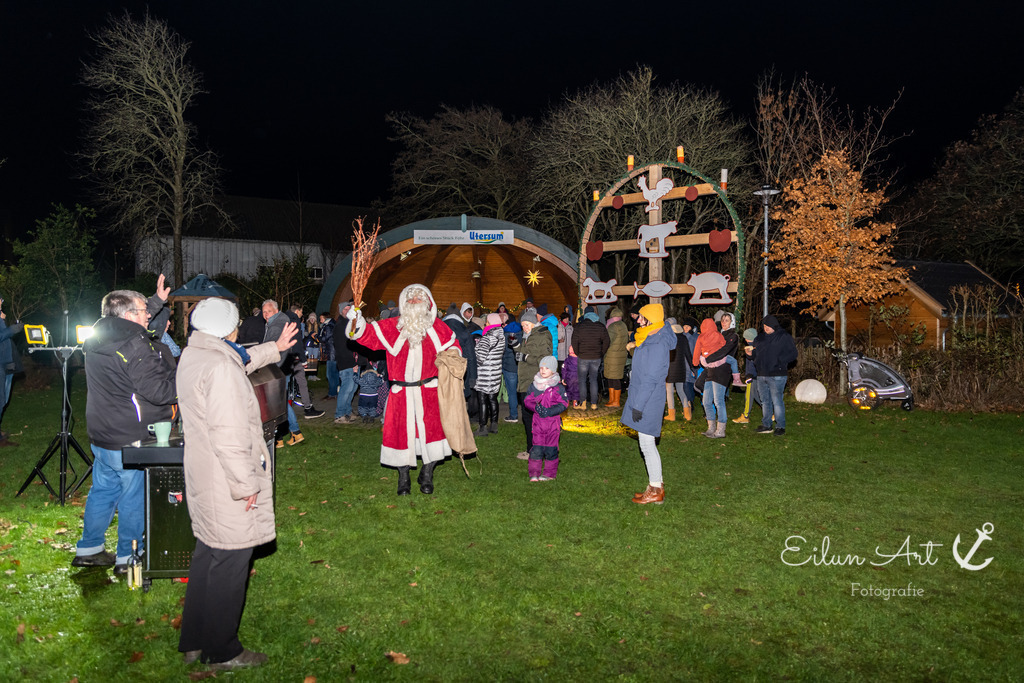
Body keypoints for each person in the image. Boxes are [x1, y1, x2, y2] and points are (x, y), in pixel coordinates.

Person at [177, 297, 298, 670]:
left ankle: (194, 640)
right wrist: (246, 486)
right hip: (226, 477)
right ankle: (221, 650)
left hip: (205, 473)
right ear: (230, 328)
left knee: (208, 554)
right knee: (231, 560)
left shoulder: (196, 354)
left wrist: (274, 348)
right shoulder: (221, 369)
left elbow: (239, 359)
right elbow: (229, 436)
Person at [72, 284, 177, 572]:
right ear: (130, 316)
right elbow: (158, 391)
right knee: (133, 494)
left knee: (103, 490)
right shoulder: (134, 344)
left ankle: (89, 548)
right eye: (144, 312)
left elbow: (129, 318)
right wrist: (189, 381)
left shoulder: (98, 336)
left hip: (101, 432)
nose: (148, 316)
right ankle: (129, 556)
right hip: (130, 436)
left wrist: (156, 301)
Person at [345, 284, 461, 495]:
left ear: (428, 303)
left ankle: (427, 474)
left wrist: (452, 358)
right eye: (410, 299)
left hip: (429, 392)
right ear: (403, 303)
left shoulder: (438, 327)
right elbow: (366, 335)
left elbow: (454, 348)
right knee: (400, 436)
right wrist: (356, 321)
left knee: (433, 435)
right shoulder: (392, 327)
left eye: (418, 299)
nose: (414, 303)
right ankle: (403, 478)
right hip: (401, 394)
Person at [621, 304, 676, 505]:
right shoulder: (650, 337)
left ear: (650, 319)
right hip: (644, 395)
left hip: (649, 398)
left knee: (647, 444)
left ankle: (655, 490)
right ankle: (656, 485)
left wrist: (639, 405)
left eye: (642, 317)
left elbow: (652, 378)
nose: (638, 320)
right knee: (647, 443)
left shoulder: (657, 342)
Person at [261, 300, 304, 445]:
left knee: (277, 403)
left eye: (269, 311)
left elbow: (270, 349)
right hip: (283, 367)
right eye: (264, 312)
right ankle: (289, 434)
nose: (266, 314)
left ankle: (284, 435)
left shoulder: (276, 325)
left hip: (277, 369)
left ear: (276, 310)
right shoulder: (279, 321)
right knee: (280, 402)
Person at [749, 314, 798, 436]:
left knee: (777, 401)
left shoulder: (783, 336)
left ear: (774, 325)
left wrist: (780, 361)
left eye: (769, 326)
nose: (766, 328)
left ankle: (780, 426)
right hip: (762, 374)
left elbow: (793, 353)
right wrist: (750, 354)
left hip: (777, 374)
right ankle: (766, 424)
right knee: (765, 401)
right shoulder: (759, 338)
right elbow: (756, 355)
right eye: (764, 326)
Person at [523, 355, 569, 481]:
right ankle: (534, 473)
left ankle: (549, 474)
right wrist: (535, 408)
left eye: (547, 368)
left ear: (553, 370)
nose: (543, 370)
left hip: (553, 425)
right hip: (538, 424)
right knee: (536, 449)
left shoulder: (558, 387)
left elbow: (564, 404)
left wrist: (550, 411)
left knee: (551, 450)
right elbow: (527, 400)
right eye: (541, 368)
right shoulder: (534, 385)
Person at [513, 310, 552, 460]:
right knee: (528, 418)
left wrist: (526, 357)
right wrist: (516, 345)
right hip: (526, 382)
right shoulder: (527, 336)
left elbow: (546, 359)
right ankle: (532, 450)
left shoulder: (542, 335)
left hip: (536, 383)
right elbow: (523, 354)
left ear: (534, 323)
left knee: (535, 419)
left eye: (527, 325)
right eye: (522, 325)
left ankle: (538, 451)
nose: (524, 328)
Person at [693, 318, 736, 439]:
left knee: (718, 401)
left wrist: (704, 359)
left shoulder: (731, 336)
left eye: (726, 320)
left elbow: (724, 350)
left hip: (721, 372)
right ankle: (711, 428)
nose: (723, 323)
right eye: (722, 321)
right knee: (706, 401)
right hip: (710, 372)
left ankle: (721, 430)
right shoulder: (718, 335)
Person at [286, 303, 325, 419]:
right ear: (297, 311)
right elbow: (297, 342)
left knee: (285, 384)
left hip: (284, 357)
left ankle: (283, 408)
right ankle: (308, 409)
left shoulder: (283, 319)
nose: (302, 314)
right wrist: (303, 360)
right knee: (302, 382)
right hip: (294, 358)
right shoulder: (295, 321)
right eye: (301, 312)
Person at [474, 313, 506, 436]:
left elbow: (480, 358)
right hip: (496, 372)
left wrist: (476, 349)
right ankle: (494, 425)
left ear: (491, 323)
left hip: (485, 374)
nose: (485, 323)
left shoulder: (488, 337)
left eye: (487, 321)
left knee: (482, 400)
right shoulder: (501, 335)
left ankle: (482, 428)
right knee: (493, 399)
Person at [572, 306, 609, 410]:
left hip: (583, 357)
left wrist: (578, 352)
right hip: (596, 357)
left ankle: (583, 404)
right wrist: (601, 353)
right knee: (593, 379)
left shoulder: (580, 326)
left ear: (585, 315)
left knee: (582, 380)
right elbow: (607, 341)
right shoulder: (600, 326)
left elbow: (574, 341)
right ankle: (594, 404)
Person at [0, 301, 25, 447]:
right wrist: (11, 330)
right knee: (0, 400)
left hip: (6, 363)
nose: (1, 302)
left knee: (3, 399)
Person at [665, 316, 698, 422]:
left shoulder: (668, 337)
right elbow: (688, 354)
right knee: (680, 390)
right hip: (681, 368)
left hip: (670, 368)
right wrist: (692, 367)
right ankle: (687, 413)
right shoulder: (683, 337)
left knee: (669, 391)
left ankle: (671, 414)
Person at [333, 301, 361, 424]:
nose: (348, 311)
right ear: (341, 311)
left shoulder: (350, 324)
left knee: (353, 388)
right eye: (345, 309)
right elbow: (342, 347)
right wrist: (352, 362)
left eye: (350, 309)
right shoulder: (341, 326)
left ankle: (348, 411)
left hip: (353, 361)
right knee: (346, 388)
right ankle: (339, 415)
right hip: (346, 362)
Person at [733, 327, 761, 424]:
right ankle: (770, 412)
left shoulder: (750, 348)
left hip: (752, 376)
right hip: (756, 375)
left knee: (748, 396)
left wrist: (748, 375)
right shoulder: (756, 346)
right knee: (756, 396)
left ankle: (745, 416)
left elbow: (751, 364)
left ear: (747, 338)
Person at [603, 307, 629, 408]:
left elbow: (608, 341)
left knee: (612, 378)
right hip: (621, 355)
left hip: (612, 355)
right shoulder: (623, 325)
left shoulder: (612, 326)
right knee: (615, 377)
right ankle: (613, 400)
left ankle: (615, 401)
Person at [500, 311, 522, 423]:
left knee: (512, 392)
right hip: (521, 366)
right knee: (522, 391)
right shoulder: (522, 332)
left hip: (509, 367)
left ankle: (513, 415)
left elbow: (502, 351)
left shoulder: (505, 335)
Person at [317, 312, 338, 400]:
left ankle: (332, 394)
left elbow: (325, 338)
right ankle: (334, 392)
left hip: (331, 353)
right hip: (334, 352)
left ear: (325, 318)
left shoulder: (328, 326)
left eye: (321, 318)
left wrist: (317, 337)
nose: (320, 320)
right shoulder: (332, 325)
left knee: (330, 374)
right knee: (335, 374)